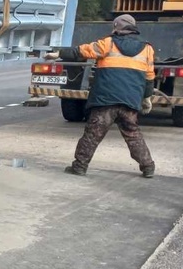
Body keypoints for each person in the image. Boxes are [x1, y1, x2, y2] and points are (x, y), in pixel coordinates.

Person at [65, 14, 155, 178]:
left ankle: (79, 167)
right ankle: (148, 167)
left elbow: (82, 51)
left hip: (106, 100)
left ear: (116, 27)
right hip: (130, 101)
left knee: (93, 134)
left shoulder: (108, 43)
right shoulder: (147, 48)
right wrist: (147, 98)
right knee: (133, 134)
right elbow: (149, 77)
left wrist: (58, 53)